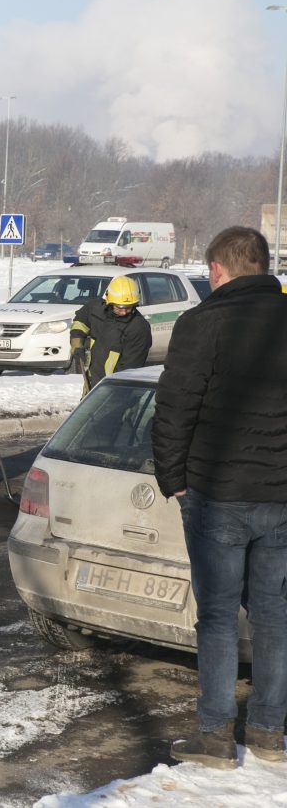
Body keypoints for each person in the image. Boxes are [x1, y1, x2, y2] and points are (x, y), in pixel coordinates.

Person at [153, 227, 287, 770]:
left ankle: (215, 735)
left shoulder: (202, 323)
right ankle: (269, 732)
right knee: (275, 615)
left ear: (216, 270)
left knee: (215, 616)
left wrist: (172, 477)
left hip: (216, 494)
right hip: (281, 498)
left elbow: (174, 407)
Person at [68, 275, 152, 396]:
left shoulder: (139, 328)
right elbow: (80, 322)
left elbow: (129, 369)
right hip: (92, 383)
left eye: (129, 308)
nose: (124, 312)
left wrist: (110, 391)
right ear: (109, 301)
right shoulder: (95, 309)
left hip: (117, 390)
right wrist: (77, 344)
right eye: (120, 307)